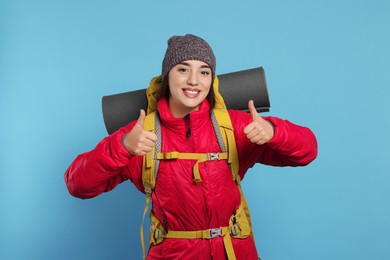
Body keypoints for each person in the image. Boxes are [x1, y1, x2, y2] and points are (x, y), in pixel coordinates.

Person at [64, 34, 317, 260]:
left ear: (212, 80)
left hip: (235, 251)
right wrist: (121, 147)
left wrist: (273, 132)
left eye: (204, 71)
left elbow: (308, 150)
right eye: (183, 70)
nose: (194, 81)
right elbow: (77, 184)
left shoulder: (234, 126)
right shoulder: (140, 135)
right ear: (167, 76)